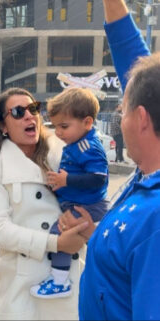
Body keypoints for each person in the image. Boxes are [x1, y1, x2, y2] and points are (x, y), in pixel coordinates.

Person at [64, 1, 160, 319]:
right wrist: (99, 233)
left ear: (142, 119)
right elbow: (136, 62)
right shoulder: (146, 183)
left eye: (122, 110)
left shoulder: (154, 221)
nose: (119, 119)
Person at [0, 87, 90, 320]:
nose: (29, 115)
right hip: (23, 288)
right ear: (2, 126)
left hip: (71, 281)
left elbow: (93, 197)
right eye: (17, 111)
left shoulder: (62, 151)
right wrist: (57, 243)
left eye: (33, 108)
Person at [30, 87, 109, 299]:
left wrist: (66, 180)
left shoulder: (87, 147)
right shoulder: (75, 143)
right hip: (78, 202)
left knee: (58, 235)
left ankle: (59, 281)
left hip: (88, 206)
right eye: (56, 127)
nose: (58, 132)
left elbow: (98, 178)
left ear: (87, 122)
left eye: (64, 126)